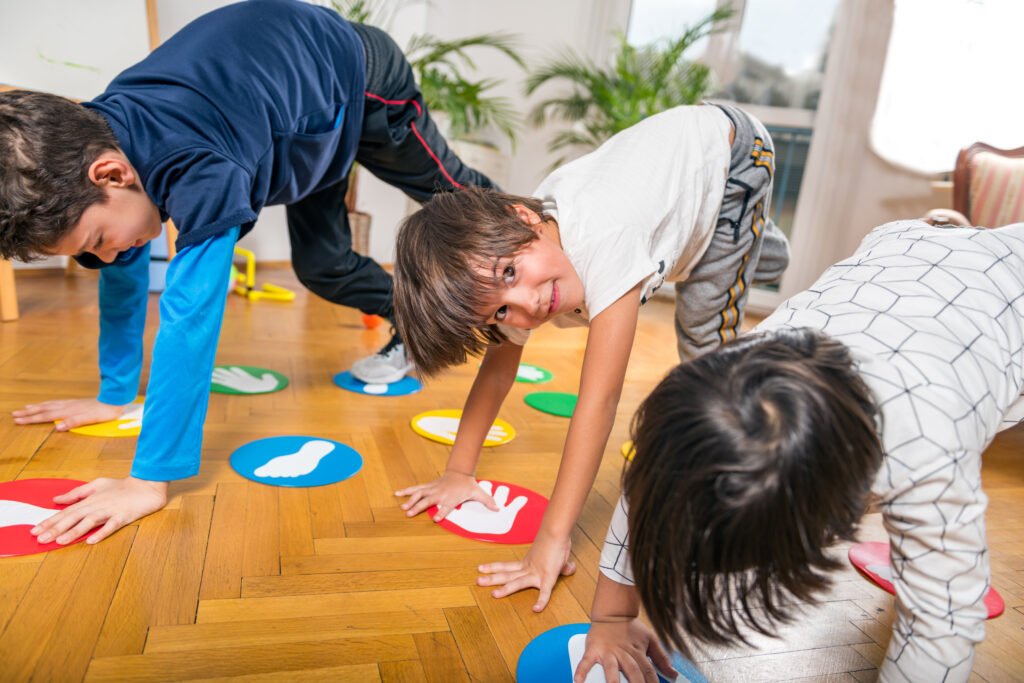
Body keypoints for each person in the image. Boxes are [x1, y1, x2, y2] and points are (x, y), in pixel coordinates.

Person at [0, 0, 496, 546]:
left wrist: (148, 479)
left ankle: (541, 230)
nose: (111, 257)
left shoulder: (194, 165)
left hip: (358, 80)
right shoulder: (100, 140)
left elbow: (189, 318)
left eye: (97, 241)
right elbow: (121, 277)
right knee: (324, 266)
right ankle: (408, 323)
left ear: (113, 173)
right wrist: (116, 394)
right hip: (298, 124)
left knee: (463, 202)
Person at [577, 220, 1024, 682]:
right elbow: (655, 477)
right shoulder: (728, 382)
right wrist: (611, 618)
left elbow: (944, 619)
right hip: (902, 251)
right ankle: (948, 231)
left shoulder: (930, 450)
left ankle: (953, 233)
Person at [392, 102, 791, 611]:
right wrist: (459, 471)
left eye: (511, 276)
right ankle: (751, 244)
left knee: (705, 354)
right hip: (681, 196)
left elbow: (598, 402)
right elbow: (497, 369)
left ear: (525, 220)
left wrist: (551, 541)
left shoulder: (608, 239)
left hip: (731, 150)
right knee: (721, 255)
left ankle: (744, 232)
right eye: (498, 315)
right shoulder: (526, 258)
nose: (527, 307)